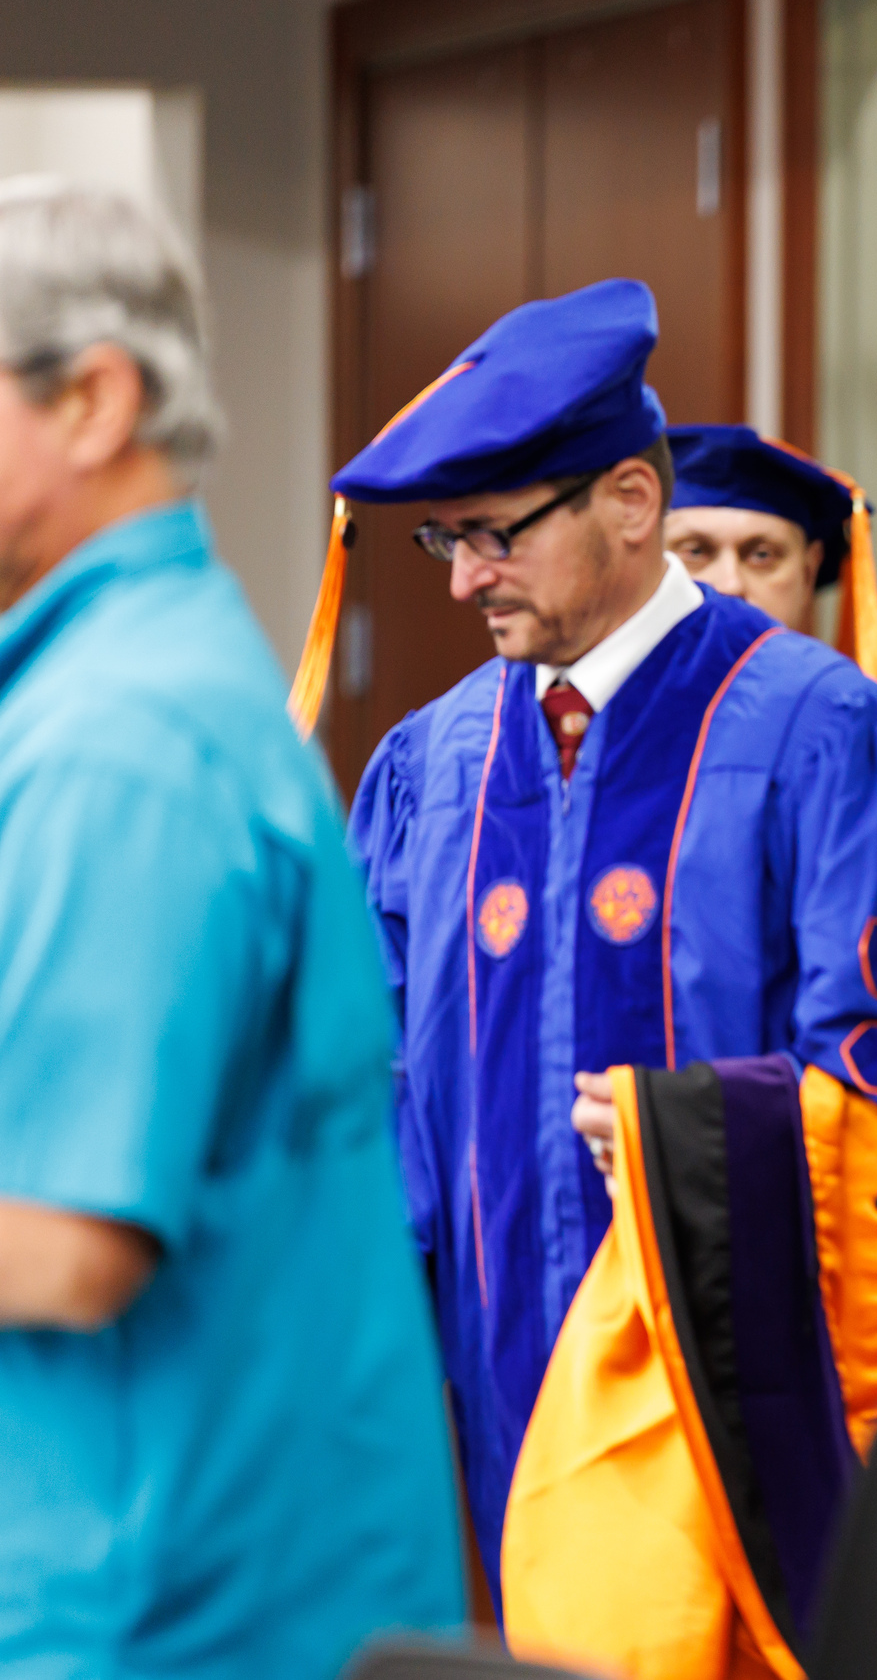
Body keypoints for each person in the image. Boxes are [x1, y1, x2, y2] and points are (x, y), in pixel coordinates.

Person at [326, 279, 877, 1648]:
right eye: (443, 535)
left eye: (493, 534)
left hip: (747, 1406)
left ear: (626, 500)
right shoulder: (430, 767)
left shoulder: (827, 735)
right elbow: (365, 1097)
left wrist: (704, 1135)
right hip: (488, 1404)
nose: (459, 577)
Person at [0, 178, 462, 1674]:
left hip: (168, 1605)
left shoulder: (120, 747)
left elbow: (68, 1245)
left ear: (92, 401)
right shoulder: (128, 688)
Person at [662, 426, 877, 670]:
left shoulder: (843, 704)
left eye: (762, 555)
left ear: (808, 572)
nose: (730, 585)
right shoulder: (614, 699)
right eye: (695, 552)